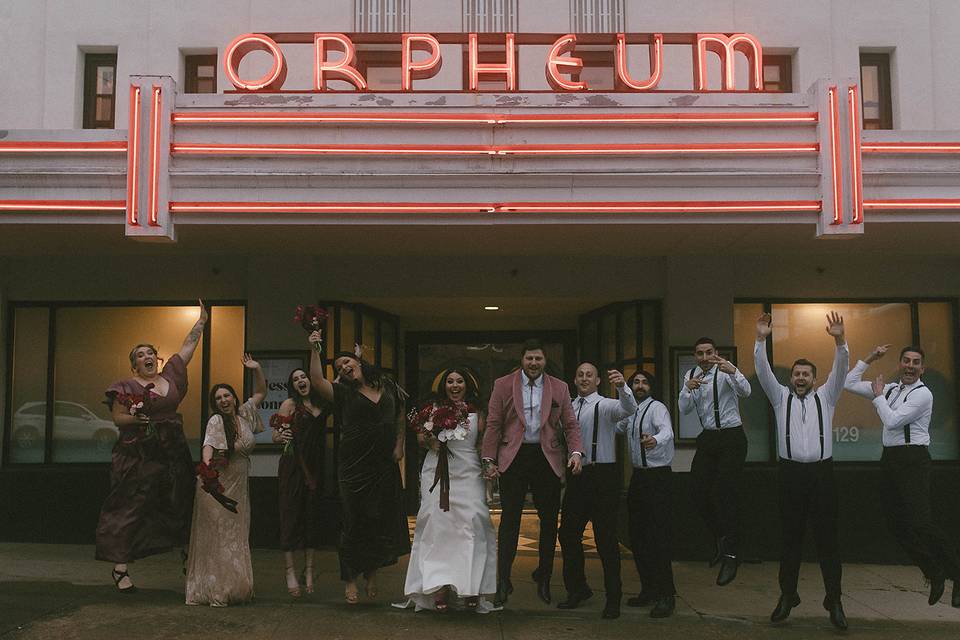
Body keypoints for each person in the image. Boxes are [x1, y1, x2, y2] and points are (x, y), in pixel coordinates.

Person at [95, 302, 208, 592]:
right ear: (134, 365)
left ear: (157, 359)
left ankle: (187, 556)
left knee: (179, 501)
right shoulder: (126, 385)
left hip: (172, 451)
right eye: (140, 355)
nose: (147, 357)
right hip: (140, 453)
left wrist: (201, 322)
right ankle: (120, 567)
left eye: (150, 353)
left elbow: (188, 347)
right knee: (133, 506)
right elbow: (118, 419)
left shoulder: (170, 376)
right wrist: (135, 416)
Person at [845, 343, 960, 608]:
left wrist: (876, 398)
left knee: (921, 523)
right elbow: (849, 383)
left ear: (922, 368)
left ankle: (956, 574)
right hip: (890, 460)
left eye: (915, 362)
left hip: (913, 460)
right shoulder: (890, 389)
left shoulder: (923, 394)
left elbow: (893, 421)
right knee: (896, 525)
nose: (909, 366)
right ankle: (934, 571)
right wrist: (871, 357)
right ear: (899, 364)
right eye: (906, 361)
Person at [754, 312, 849, 630]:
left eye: (806, 374)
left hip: (823, 475)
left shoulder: (828, 396)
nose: (800, 378)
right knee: (790, 539)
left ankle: (834, 599)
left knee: (828, 541)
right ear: (791, 377)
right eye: (796, 373)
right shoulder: (780, 398)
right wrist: (760, 339)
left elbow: (841, 369)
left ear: (814, 378)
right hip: (790, 476)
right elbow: (763, 372)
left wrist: (839, 340)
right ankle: (787, 595)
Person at [308, 332, 410, 604]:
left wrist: (399, 445)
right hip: (353, 467)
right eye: (339, 366)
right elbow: (317, 380)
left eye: (347, 362)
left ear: (359, 362)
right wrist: (315, 348)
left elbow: (400, 414)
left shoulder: (387, 385)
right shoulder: (342, 392)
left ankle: (371, 574)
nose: (343, 367)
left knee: (377, 521)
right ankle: (351, 579)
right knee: (353, 522)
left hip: (383, 465)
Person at [482, 339, 584, 607]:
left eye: (538, 359)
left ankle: (545, 579)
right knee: (509, 521)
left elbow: (571, 425)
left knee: (549, 521)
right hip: (513, 457)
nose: (534, 363)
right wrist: (488, 459)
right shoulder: (503, 385)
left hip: (546, 457)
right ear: (522, 360)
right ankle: (504, 581)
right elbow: (493, 424)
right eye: (529, 359)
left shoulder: (559, 388)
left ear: (544, 360)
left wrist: (575, 453)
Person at [399, 368, 498, 612]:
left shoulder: (478, 411)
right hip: (437, 469)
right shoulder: (432, 409)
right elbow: (422, 440)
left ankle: (471, 587)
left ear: (467, 385)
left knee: (474, 522)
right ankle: (438, 586)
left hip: (468, 472)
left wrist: (489, 466)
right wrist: (431, 437)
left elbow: (482, 442)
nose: (455, 385)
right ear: (444, 385)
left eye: (460, 381)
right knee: (438, 525)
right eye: (450, 381)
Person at [184, 355, 266, 606]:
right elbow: (208, 446)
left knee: (237, 535)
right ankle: (217, 589)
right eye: (218, 398)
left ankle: (236, 587)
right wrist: (207, 473)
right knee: (220, 537)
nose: (223, 400)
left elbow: (261, 391)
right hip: (219, 486)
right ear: (215, 404)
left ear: (234, 397)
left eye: (226, 395)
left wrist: (257, 369)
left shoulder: (245, 415)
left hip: (240, 485)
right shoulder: (216, 421)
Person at [557, 363, 636, 619]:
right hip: (577, 476)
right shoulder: (569, 405)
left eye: (589, 375)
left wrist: (623, 387)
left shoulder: (606, 404)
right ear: (574, 379)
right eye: (580, 374)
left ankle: (613, 597)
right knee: (568, 533)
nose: (584, 378)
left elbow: (629, 408)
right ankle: (578, 589)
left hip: (603, 474)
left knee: (605, 539)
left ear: (598, 380)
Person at [678, 336, 751, 586]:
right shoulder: (691, 374)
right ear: (695, 356)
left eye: (709, 352)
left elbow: (746, 392)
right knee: (696, 491)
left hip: (732, 437)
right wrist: (687, 389)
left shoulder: (726, 370)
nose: (705, 357)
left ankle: (732, 554)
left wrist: (734, 372)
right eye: (700, 353)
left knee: (726, 492)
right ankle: (720, 536)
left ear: (716, 352)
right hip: (708, 438)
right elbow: (684, 409)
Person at [617, 370, 677, 619]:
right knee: (638, 537)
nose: (640, 386)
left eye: (644, 382)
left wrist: (655, 439)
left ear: (651, 386)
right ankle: (648, 589)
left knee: (658, 539)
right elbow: (615, 425)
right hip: (639, 478)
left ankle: (667, 595)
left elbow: (668, 432)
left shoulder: (657, 408)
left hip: (658, 478)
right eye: (636, 382)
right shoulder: (630, 412)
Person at [271, 367, 326, 598]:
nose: (300, 381)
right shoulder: (289, 405)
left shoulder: (323, 403)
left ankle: (310, 570)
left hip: (316, 465)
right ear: (291, 385)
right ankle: (290, 571)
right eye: (295, 379)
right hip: (293, 466)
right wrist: (280, 436)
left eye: (303, 377)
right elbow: (275, 435)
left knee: (312, 517)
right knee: (290, 516)